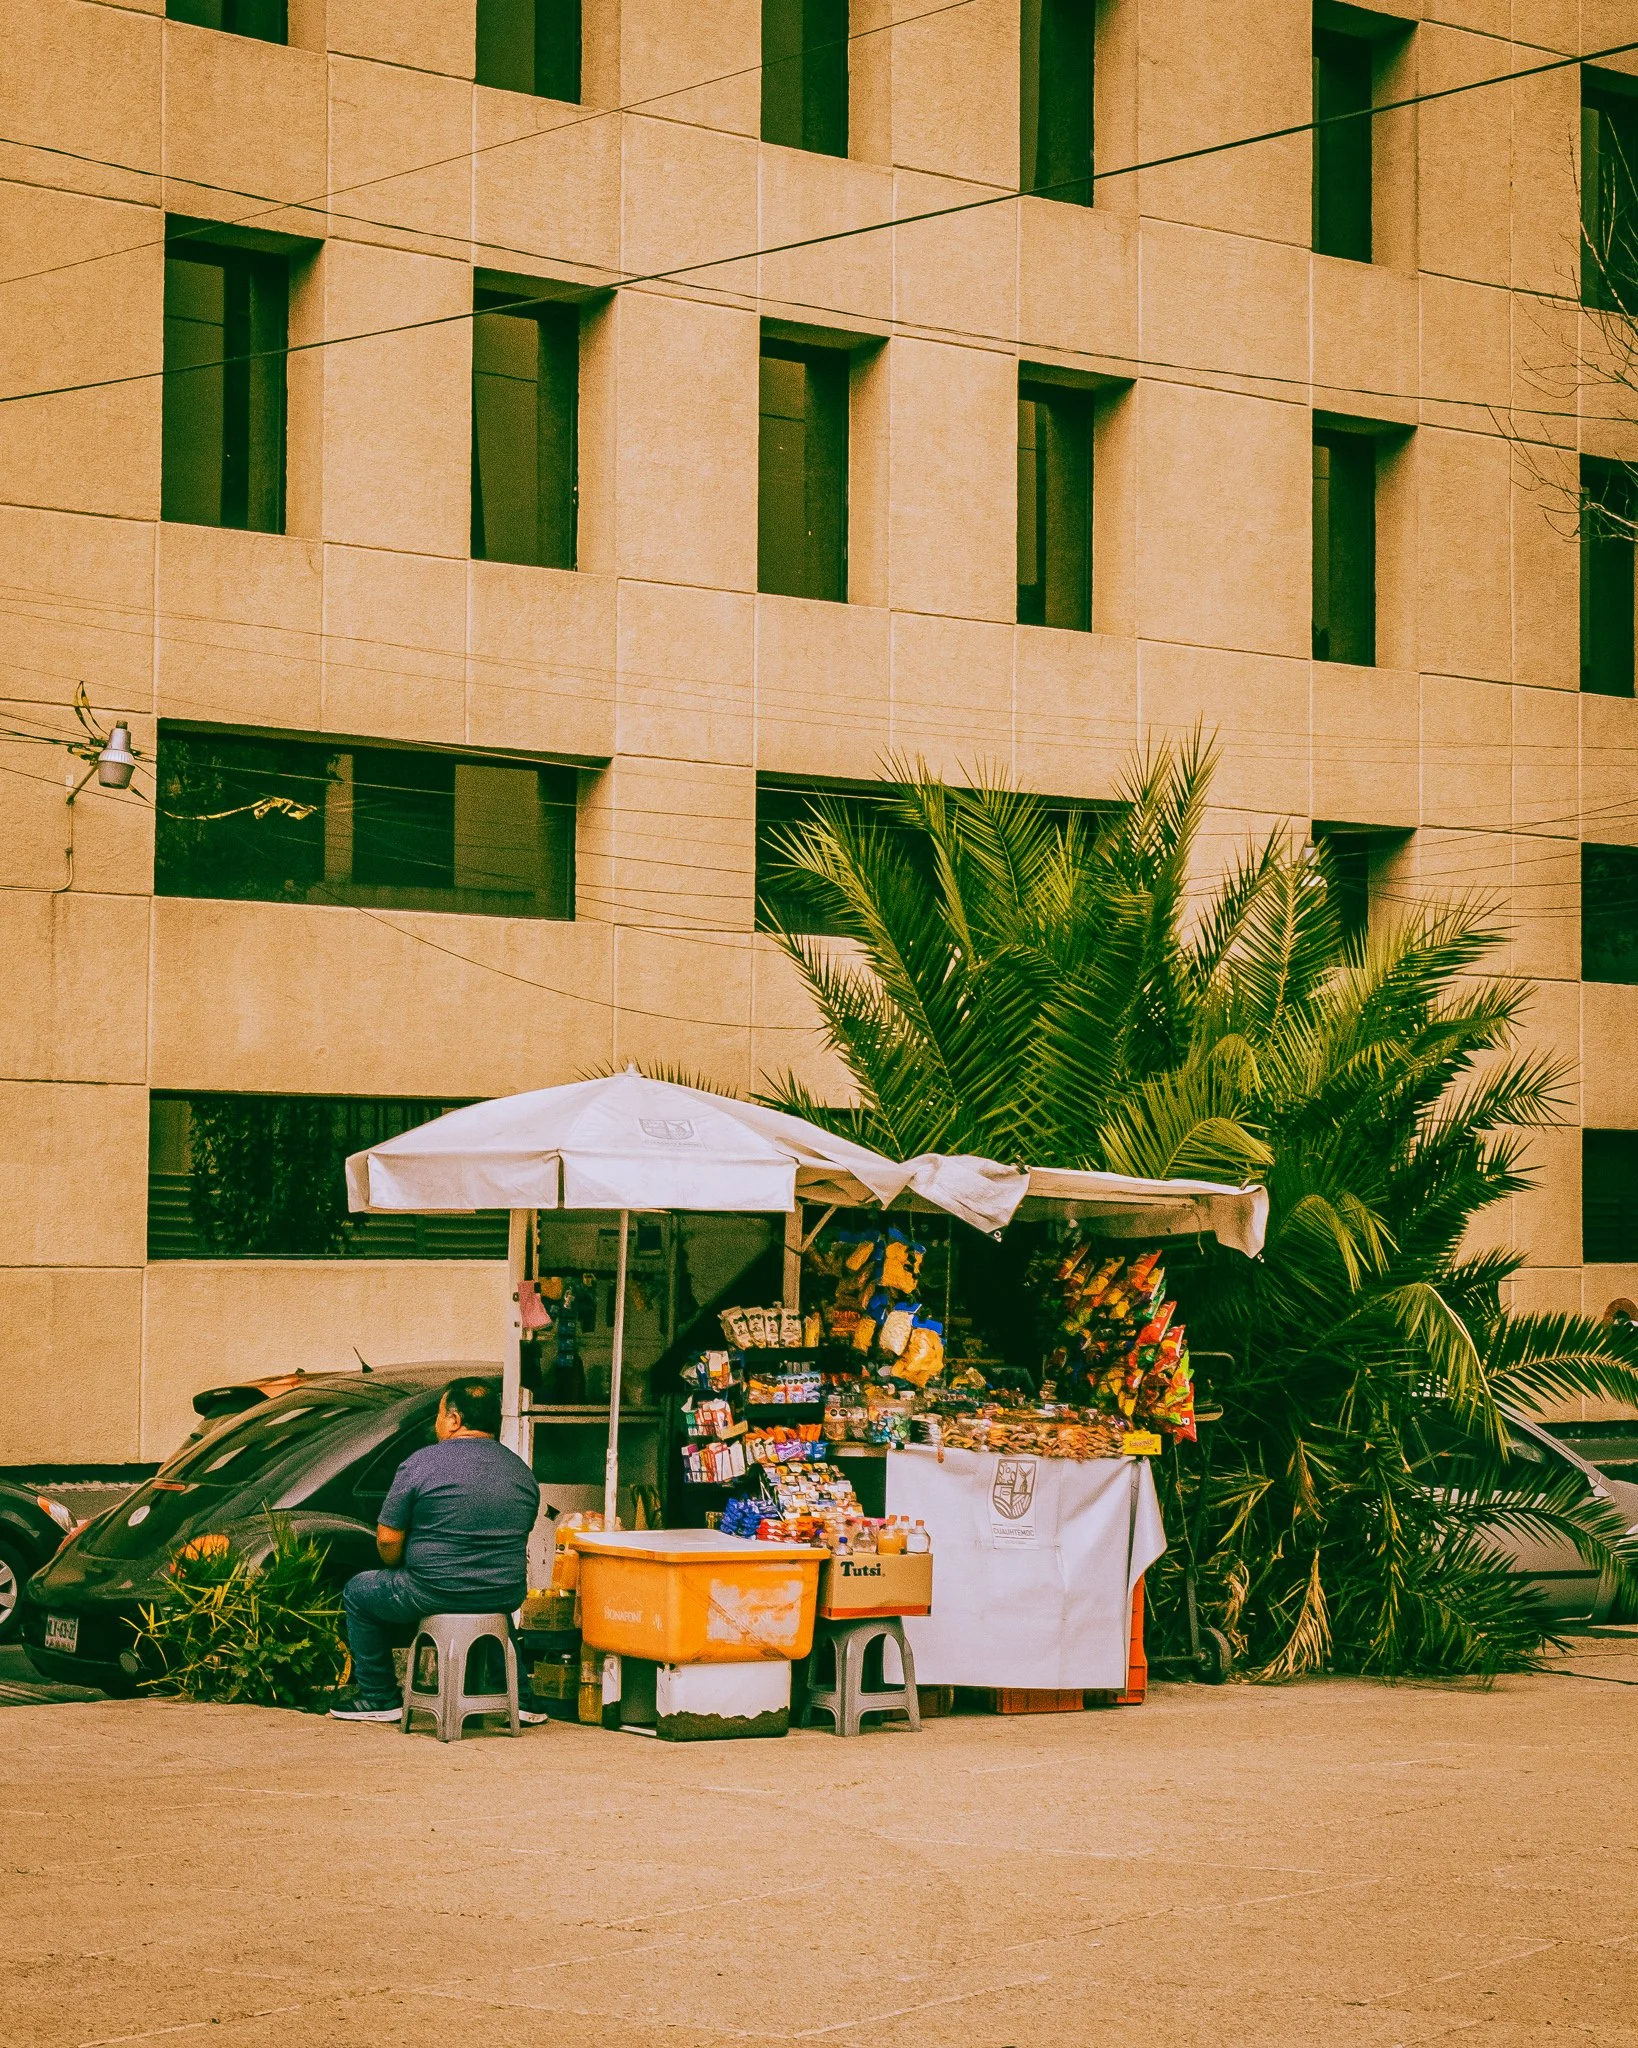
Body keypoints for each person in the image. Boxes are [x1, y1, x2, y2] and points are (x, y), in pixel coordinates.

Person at [330, 1374, 545, 1723]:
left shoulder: (421, 1463)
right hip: (502, 1592)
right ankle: (521, 1700)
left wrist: (397, 1565)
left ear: (454, 1419)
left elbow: (387, 1539)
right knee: (487, 1602)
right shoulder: (520, 1470)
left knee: (358, 1591)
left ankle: (380, 1698)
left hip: (431, 1590)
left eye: (439, 1413)